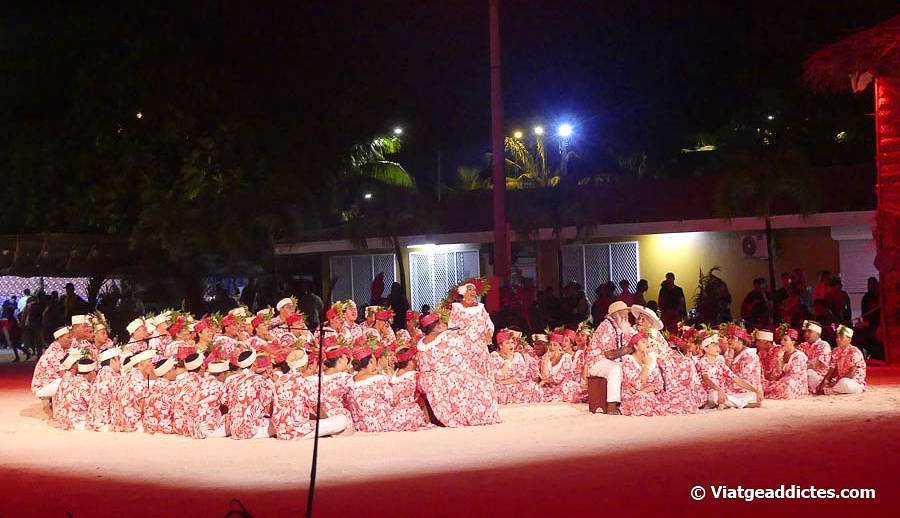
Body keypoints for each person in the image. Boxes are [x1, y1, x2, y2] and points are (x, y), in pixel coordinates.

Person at [415, 313, 500, 427]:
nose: (444, 324)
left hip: (427, 379)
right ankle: (474, 415)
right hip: (443, 376)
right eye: (440, 323)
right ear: (436, 327)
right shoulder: (448, 337)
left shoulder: (420, 344)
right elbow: (463, 354)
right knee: (481, 383)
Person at [273, 349, 349, 439]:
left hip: (281, 431)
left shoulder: (279, 380)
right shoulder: (305, 381)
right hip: (298, 431)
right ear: (305, 365)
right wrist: (328, 421)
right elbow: (318, 410)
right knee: (341, 419)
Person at [348, 345, 426, 432]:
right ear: (371, 361)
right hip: (380, 422)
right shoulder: (378, 379)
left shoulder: (350, 381)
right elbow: (392, 400)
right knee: (414, 410)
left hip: (361, 424)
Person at [584, 301, 636, 414]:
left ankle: (628, 403)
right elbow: (610, 355)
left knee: (629, 366)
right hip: (598, 362)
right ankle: (612, 406)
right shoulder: (606, 325)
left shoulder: (622, 326)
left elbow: (633, 340)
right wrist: (627, 350)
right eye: (624, 313)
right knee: (615, 370)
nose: (627, 316)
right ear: (616, 315)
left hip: (610, 361)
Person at [447, 281, 496, 387]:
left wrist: (488, 334)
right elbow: (452, 327)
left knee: (481, 372)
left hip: (480, 346)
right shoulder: (457, 308)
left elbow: (489, 324)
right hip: (464, 347)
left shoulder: (480, 308)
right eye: (470, 289)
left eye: (474, 290)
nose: (473, 292)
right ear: (463, 292)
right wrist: (458, 342)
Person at [225, 350, 274, 439]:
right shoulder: (260, 380)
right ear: (254, 363)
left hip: (234, 429)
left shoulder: (232, 381)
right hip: (252, 430)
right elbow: (269, 406)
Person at [619, 332, 667, 416]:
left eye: (647, 341)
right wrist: (646, 365)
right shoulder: (628, 361)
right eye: (643, 342)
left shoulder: (651, 358)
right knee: (642, 399)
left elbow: (659, 384)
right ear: (636, 346)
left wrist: (644, 391)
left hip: (647, 394)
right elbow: (637, 385)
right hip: (632, 396)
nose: (647, 344)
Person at [489, 329, 542, 404]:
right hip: (499, 386)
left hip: (510, 384)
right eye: (507, 343)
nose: (511, 345)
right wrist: (507, 361)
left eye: (512, 343)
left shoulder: (517, 356)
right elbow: (498, 376)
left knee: (533, 387)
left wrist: (504, 382)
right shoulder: (494, 356)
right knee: (496, 390)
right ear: (500, 345)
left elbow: (521, 375)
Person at [112, 349, 155, 432]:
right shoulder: (138, 379)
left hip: (120, 424)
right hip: (134, 426)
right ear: (141, 363)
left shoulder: (128, 376)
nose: (152, 365)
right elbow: (143, 405)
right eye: (149, 361)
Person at [763, 326, 809, 400]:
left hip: (794, 383)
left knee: (786, 383)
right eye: (781, 340)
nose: (782, 342)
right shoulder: (780, 353)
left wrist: (778, 382)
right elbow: (776, 374)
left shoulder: (799, 356)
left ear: (793, 342)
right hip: (781, 381)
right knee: (764, 383)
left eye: (785, 340)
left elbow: (793, 376)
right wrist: (779, 360)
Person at [818, 325, 866, 395]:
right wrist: (824, 382)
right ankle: (831, 390)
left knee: (844, 383)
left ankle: (830, 391)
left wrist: (835, 383)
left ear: (849, 340)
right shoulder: (835, 351)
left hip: (854, 382)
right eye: (837, 337)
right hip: (839, 381)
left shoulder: (855, 351)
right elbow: (831, 370)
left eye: (841, 337)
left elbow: (852, 373)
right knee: (821, 382)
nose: (838, 339)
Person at [189, 360, 230, 439]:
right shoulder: (220, 385)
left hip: (194, 430)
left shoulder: (200, 382)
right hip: (210, 430)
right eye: (226, 373)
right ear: (222, 374)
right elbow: (229, 404)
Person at [539, 332, 581, 403]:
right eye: (550, 345)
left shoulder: (566, 357)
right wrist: (545, 362)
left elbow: (560, 377)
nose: (552, 347)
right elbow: (544, 376)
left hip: (563, 385)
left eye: (555, 345)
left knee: (569, 387)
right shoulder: (545, 357)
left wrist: (545, 381)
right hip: (549, 387)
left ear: (560, 347)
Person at [55, 358, 97, 430]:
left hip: (63, 419)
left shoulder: (70, 380)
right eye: (95, 371)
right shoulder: (85, 385)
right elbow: (93, 404)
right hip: (77, 421)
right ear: (91, 373)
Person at [88, 347, 123, 431]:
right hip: (107, 422)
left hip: (95, 420)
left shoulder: (101, 373)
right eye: (118, 359)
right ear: (112, 360)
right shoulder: (113, 376)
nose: (120, 363)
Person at [143, 358, 178, 434]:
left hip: (149, 426)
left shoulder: (153, 387)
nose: (176, 373)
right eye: (173, 370)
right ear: (167, 373)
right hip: (166, 427)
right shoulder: (172, 387)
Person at [799, 320, 832, 394]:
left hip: (819, 378)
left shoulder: (824, 345)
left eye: (810, 331)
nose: (806, 334)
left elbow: (812, 364)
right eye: (805, 331)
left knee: (809, 373)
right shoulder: (802, 345)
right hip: (802, 372)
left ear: (818, 334)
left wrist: (796, 370)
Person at [860, 277, 883, 359]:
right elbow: (864, 312)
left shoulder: (880, 296)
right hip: (869, 323)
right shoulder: (866, 297)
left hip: (878, 323)